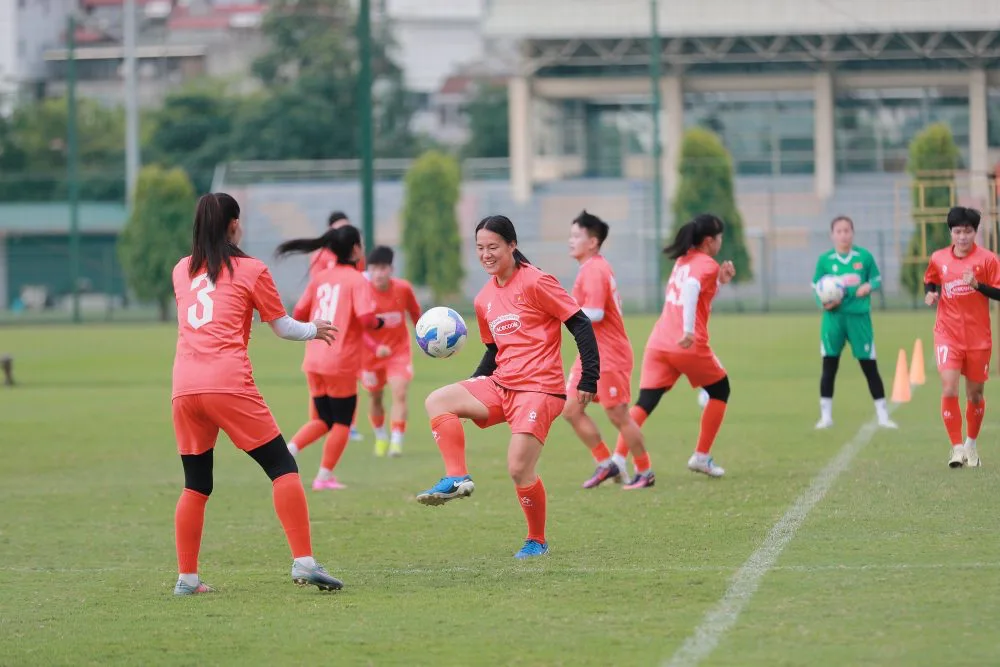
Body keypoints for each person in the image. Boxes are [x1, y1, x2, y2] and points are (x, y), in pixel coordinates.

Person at [170, 192, 342, 595]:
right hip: (227, 382)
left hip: (183, 387)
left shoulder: (181, 270)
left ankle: (187, 579)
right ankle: (304, 563)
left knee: (195, 484)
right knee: (282, 467)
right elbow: (282, 327)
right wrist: (315, 329)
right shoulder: (250, 269)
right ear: (233, 224)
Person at [415, 215, 600, 559]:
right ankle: (456, 477)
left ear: (512, 246)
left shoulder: (537, 282)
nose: (485, 254)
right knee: (438, 401)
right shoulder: (484, 298)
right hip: (503, 384)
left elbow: (580, 322)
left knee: (518, 468)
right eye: (480, 248)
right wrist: (474, 386)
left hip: (541, 389)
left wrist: (589, 376)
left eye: (493, 247)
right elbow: (494, 351)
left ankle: (537, 540)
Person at [621, 213, 736, 478]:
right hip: (685, 343)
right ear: (709, 241)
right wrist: (687, 330)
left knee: (646, 402)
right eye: (719, 238)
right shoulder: (706, 264)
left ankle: (617, 458)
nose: (720, 242)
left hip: (659, 341)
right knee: (720, 389)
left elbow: (699, 291)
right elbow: (692, 289)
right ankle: (701, 456)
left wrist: (720, 281)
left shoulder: (684, 260)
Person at [277, 225, 384, 489]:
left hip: (314, 359)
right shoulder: (357, 279)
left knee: (322, 420)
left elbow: (299, 314)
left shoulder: (320, 277)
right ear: (356, 249)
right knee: (342, 422)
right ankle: (324, 476)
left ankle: (288, 450)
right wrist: (381, 322)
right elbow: (366, 319)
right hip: (340, 361)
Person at [561, 211, 653, 489]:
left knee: (618, 416)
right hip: (590, 354)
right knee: (570, 410)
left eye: (577, 236)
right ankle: (605, 464)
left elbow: (596, 313)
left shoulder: (595, 269)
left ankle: (645, 471)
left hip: (610, 354)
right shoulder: (588, 268)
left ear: (593, 242)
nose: (571, 241)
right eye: (571, 235)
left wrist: (562, 312)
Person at [925, 206, 999, 468]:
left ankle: (971, 444)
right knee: (949, 387)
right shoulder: (939, 258)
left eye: (968, 232)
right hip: (948, 334)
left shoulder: (988, 260)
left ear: (975, 232)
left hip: (979, 338)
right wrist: (931, 293)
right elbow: (931, 279)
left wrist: (978, 285)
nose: (963, 237)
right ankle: (956, 449)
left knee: (975, 395)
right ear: (951, 233)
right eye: (957, 231)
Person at [812, 215, 896, 430]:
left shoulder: (864, 257)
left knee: (869, 366)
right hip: (834, 319)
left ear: (852, 232)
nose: (843, 235)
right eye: (839, 231)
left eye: (846, 230)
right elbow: (816, 287)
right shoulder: (825, 260)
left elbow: (876, 278)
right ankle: (825, 417)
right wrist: (823, 303)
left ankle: (883, 416)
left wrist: (869, 286)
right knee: (829, 366)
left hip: (859, 319)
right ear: (832, 235)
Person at [307, 210, 364, 442]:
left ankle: (293, 448)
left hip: (316, 346)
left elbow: (301, 309)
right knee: (338, 418)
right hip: (337, 344)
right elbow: (365, 315)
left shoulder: (352, 269)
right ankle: (325, 475)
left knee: (328, 416)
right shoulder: (322, 263)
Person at [360, 246, 422, 457]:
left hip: (398, 352)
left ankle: (396, 441)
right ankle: (380, 436)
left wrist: (424, 339)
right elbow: (356, 329)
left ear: (391, 269)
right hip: (369, 355)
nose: (379, 273)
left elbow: (415, 314)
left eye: (383, 268)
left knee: (400, 393)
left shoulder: (403, 289)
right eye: (374, 268)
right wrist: (376, 348)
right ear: (369, 270)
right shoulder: (362, 292)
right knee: (375, 398)